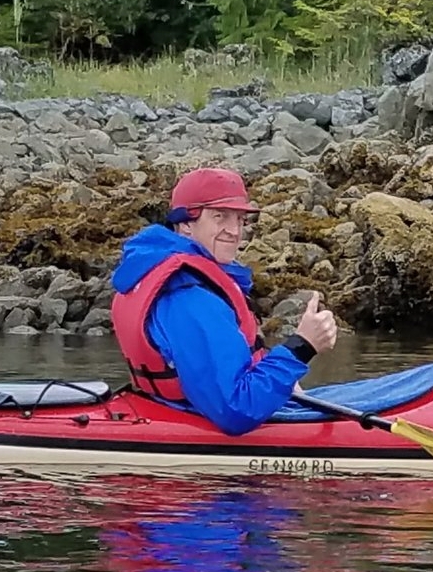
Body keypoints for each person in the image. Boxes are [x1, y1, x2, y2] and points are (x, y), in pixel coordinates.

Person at [111, 166, 339, 434]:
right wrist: (303, 346)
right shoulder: (190, 298)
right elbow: (235, 410)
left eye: (240, 219)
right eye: (220, 217)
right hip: (204, 422)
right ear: (185, 224)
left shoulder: (174, 273)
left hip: (172, 405)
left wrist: (283, 381)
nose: (234, 231)